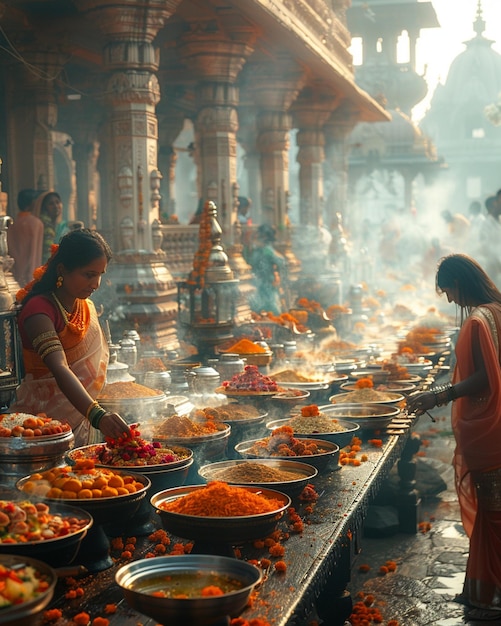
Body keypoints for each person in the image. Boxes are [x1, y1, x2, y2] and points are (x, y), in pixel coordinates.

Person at [407, 254, 501, 621]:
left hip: (488, 430)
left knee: (493, 515)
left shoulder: (479, 320)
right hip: (495, 425)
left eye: (447, 291)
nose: (449, 300)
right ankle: (481, 590)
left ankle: (490, 595)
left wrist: (440, 395)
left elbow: (486, 378)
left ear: (460, 283)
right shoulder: (497, 308)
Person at [10, 228, 131, 447]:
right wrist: (97, 416)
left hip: (83, 416)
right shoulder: (39, 310)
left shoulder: (84, 306)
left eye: (100, 275)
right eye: (89, 275)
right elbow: (60, 367)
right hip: (40, 428)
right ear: (62, 270)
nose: (95, 284)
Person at [244, 223, 286, 315]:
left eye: (260, 235)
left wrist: (276, 273)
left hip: (267, 284)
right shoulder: (258, 250)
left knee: (271, 310)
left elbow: (281, 261)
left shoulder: (267, 250)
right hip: (257, 284)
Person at [7, 189, 43, 287]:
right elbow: (34, 254)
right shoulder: (36, 223)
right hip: (30, 276)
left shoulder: (12, 224)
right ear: (32, 203)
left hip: (15, 275)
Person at [35, 190, 63, 262]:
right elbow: (47, 251)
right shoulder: (44, 224)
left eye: (57, 202)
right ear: (44, 207)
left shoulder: (62, 225)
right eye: (51, 204)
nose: (56, 206)